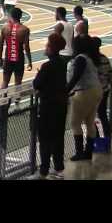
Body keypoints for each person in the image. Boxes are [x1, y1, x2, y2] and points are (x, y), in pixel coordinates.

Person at [30, 33, 68, 180]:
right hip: (61, 106)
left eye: (47, 45)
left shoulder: (47, 66)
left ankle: (44, 171)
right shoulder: (63, 63)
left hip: (48, 108)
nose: (45, 47)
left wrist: (39, 76)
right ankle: (58, 168)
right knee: (58, 137)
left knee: (45, 140)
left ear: (52, 48)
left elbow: (37, 84)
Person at [66, 34, 103, 161]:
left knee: (75, 123)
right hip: (96, 90)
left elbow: (76, 76)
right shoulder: (90, 57)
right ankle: (88, 152)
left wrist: (65, 90)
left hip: (84, 92)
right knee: (89, 121)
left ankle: (80, 152)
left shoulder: (80, 59)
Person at [0, 7, 32, 89]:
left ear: (11, 16)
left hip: (8, 58)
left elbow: (0, 44)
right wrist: (30, 61)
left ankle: (3, 99)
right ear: (20, 17)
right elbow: (26, 47)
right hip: (19, 59)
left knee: (5, 81)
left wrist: (0, 58)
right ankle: (17, 101)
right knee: (18, 83)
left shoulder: (4, 28)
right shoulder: (25, 29)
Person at [91, 37, 112, 151]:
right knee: (103, 115)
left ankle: (96, 142)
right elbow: (111, 75)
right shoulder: (104, 58)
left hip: (92, 93)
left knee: (90, 118)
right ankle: (107, 140)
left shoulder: (89, 61)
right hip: (104, 91)